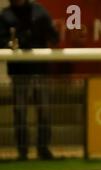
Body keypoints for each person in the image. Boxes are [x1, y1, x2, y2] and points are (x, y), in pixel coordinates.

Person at [0, 0, 59, 160]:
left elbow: (53, 35)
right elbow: (2, 40)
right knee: (20, 111)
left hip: (39, 69)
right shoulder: (6, 16)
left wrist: (51, 35)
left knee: (44, 110)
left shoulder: (39, 11)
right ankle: (22, 151)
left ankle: (43, 149)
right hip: (19, 71)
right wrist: (12, 44)